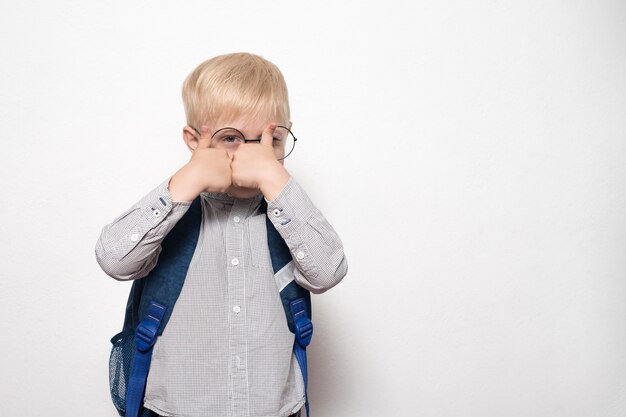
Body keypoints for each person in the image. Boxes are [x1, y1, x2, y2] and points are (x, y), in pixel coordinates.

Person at [95, 52, 348, 417]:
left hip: (275, 410)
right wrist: (185, 182)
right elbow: (114, 259)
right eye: (232, 138)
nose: (253, 155)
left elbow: (328, 272)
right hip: (175, 409)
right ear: (194, 140)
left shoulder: (289, 216)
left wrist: (276, 180)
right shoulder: (171, 210)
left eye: (270, 140)